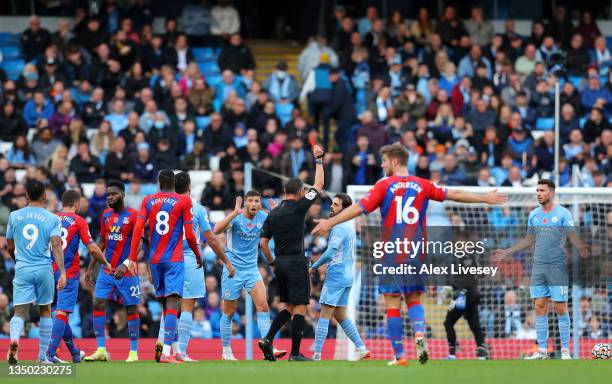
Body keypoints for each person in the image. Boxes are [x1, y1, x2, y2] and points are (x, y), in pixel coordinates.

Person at [311, 143, 507, 366]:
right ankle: (420, 335)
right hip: (415, 252)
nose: (382, 164)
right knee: (414, 299)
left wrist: (330, 221)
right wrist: (484, 198)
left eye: (384, 161)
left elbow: (358, 209)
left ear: (395, 161)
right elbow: (455, 193)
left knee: (392, 304)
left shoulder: (384, 185)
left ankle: (399, 356)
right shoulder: (423, 184)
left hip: (392, 252)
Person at [128, 170, 218, 363]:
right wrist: (196, 253)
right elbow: (191, 234)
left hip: (155, 260)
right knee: (174, 304)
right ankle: (170, 351)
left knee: (164, 305)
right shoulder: (184, 202)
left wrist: (131, 258)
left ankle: (165, 343)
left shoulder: (148, 200)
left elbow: (138, 230)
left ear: (159, 183)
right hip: (175, 259)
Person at [493, 179, 589, 360]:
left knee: (560, 308)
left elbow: (572, 234)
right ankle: (542, 351)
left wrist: (581, 247)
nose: (538, 193)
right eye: (537, 190)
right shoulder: (533, 215)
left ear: (551, 193)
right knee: (539, 307)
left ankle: (566, 351)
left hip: (557, 267)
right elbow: (528, 240)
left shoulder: (563, 213)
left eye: (542, 190)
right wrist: (507, 252)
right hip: (538, 268)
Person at [258, 145, 325, 362]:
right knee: (301, 307)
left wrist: (272, 263)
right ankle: (295, 353)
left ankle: (267, 339)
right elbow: (319, 184)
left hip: (281, 263)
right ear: (299, 193)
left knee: (288, 306)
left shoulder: (274, 213)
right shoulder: (299, 206)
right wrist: (320, 160)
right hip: (296, 262)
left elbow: (263, 243)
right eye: (303, 192)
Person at [155, 172, 231, 362]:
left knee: (170, 304)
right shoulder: (196, 209)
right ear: (189, 187)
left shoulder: (164, 206)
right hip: (190, 257)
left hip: (168, 257)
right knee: (188, 305)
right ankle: (181, 351)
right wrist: (225, 260)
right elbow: (211, 238)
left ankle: (162, 341)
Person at [213, 191, 285, 361]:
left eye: (257, 201)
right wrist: (233, 213)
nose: (254, 204)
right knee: (229, 312)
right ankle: (226, 350)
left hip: (252, 269)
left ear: (260, 204)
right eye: (251, 201)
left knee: (263, 307)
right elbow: (216, 230)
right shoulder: (236, 218)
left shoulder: (263, 216)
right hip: (233, 270)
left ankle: (269, 346)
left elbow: (282, 227)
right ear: (245, 203)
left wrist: (276, 213)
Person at [5, 180, 66, 364]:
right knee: (45, 310)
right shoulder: (53, 218)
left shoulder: (14, 216)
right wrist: (62, 271)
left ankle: (14, 341)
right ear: (45, 195)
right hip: (43, 269)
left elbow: (9, 244)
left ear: (26, 195)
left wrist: (18, 260)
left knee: (20, 311)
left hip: (23, 267)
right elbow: (56, 244)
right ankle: (42, 357)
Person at [46, 190, 110, 363]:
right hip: (69, 273)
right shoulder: (79, 221)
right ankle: (50, 354)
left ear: (62, 203)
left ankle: (74, 353)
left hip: (48, 272)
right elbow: (92, 249)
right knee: (62, 313)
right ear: (76, 204)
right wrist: (106, 263)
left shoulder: (51, 218)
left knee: (58, 314)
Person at [83, 180, 141, 363]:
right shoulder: (106, 215)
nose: (109, 198)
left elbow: (139, 243)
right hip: (107, 270)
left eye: (113, 194)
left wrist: (126, 264)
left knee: (131, 308)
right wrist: (91, 267)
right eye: (107, 195)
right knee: (98, 304)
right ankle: (101, 349)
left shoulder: (133, 215)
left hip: (128, 271)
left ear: (123, 194)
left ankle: (133, 352)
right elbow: (101, 243)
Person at [310, 193, 370, 361]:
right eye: (332, 204)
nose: (331, 207)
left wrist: (313, 267)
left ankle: (317, 354)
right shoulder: (349, 228)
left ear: (345, 210)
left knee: (325, 314)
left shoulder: (338, 228)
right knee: (340, 315)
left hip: (336, 275)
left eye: (336, 205)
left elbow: (330, 253)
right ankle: (361, 347)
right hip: (348, 275)